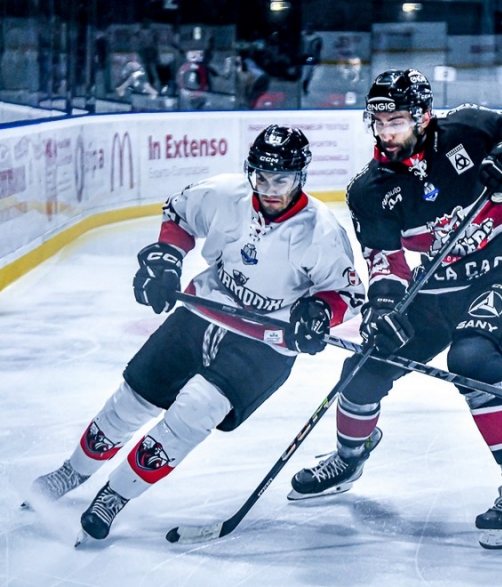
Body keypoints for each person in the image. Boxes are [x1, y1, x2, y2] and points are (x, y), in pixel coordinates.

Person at [27, 125, 366, 542]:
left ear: (301, 177)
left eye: (281, 179)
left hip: (263, 345)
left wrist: (317, 314)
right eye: (261, 176)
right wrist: (167, 258)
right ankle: (70, 472)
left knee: (192, 413)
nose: (269, 188)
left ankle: (115, 496)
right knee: (130, 402)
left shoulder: (322, 232)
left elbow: (347, 294)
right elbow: (179, 213)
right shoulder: (225, 196)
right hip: (202, 313)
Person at [287, 69, 502, 550]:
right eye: (376, 122)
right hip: (434, 292)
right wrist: (381, 305)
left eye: (396, 120)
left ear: (422, 115)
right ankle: (349, 456)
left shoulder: (469, 128)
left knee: (472, 362)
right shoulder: (369, 189)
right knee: (360, 372)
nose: (385, 132)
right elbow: (386, 263)